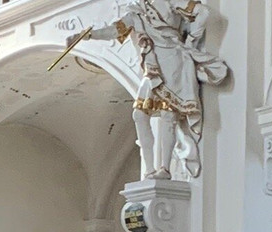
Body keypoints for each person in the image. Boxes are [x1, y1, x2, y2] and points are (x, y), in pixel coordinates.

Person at [68, 0, 228, 179]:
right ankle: (150, 170)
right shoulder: (137, 9)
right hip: (153, 63)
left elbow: (203, 13)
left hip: (173, 60)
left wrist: (190, 41)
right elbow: (116, 30)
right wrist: (87, 36)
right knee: (139, 114)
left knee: (169, 114)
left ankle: (165, 169)